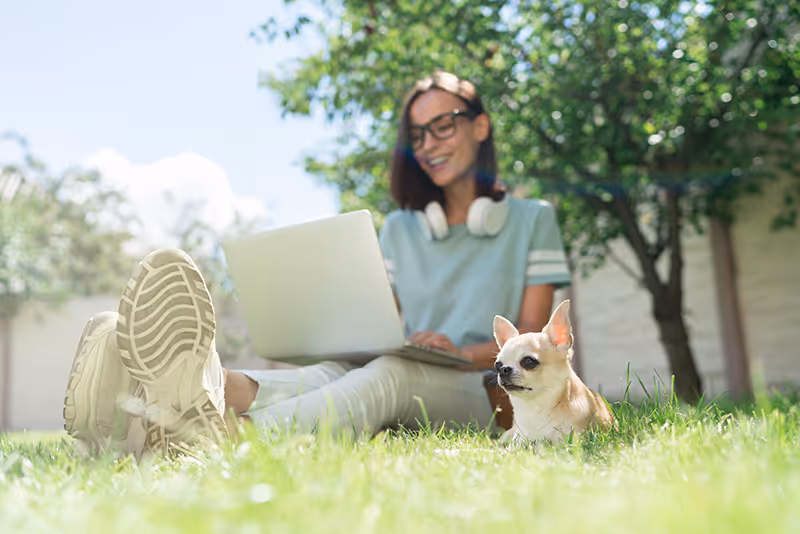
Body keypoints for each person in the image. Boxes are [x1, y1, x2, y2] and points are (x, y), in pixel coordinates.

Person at [63, 71, 571, 457]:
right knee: (338, 369)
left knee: (392, 371)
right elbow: (384, 325)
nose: (429, 145)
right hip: (412, 370)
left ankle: (220, 437)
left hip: (493, 391)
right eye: (417, 135)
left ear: (480, 125)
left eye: (443, 126)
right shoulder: (399, 229)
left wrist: (456, 351)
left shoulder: (533, 221)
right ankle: (171, 398)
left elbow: (538, 345)